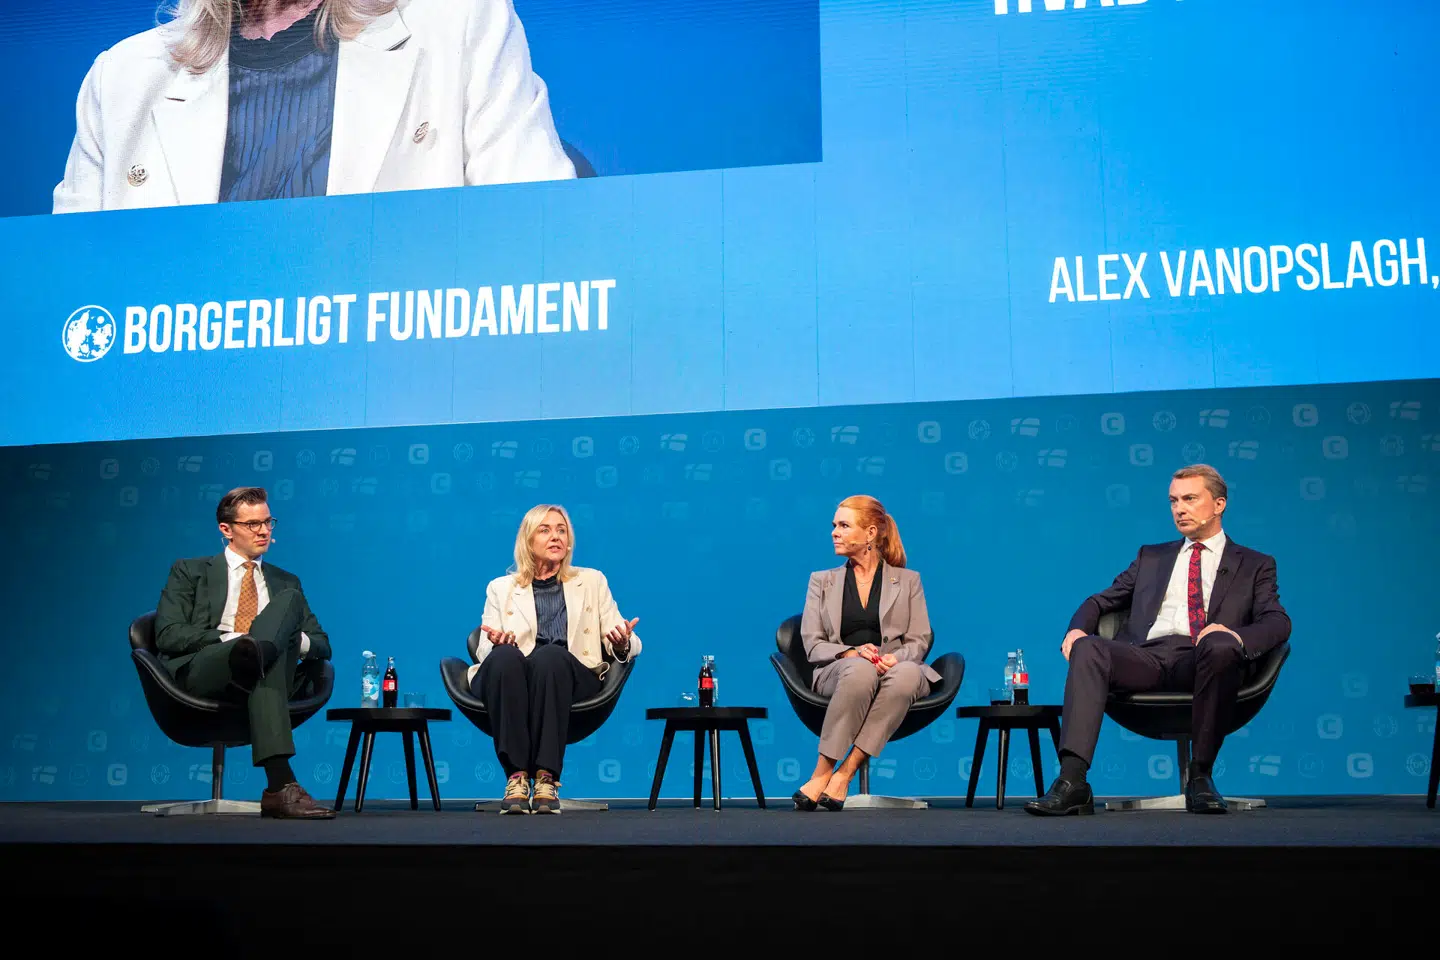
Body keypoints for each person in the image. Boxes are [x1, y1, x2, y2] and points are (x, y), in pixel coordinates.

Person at [53, 0, 575, 213]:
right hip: (179, 405)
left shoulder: (459, 25)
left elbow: (539, 235)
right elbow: (67, 292)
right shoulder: (123, 79)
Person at [1025, 464, 1292, 817]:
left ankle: (1201, 776)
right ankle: (1072, 781)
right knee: (1089, 647)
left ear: (1219, 504)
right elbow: (1099, 602)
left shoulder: (1255, 564)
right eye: (1173, 501)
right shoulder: (1151, 557)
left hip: (1204, 657)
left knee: (1219, 645)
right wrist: (1076, 630)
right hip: (1146, 658)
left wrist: (1234, 635)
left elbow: (1277, 621)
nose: (1179, 509)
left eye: (1190, 499)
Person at [153, 486, 335, 818]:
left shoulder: (286, 582)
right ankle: (280, 785)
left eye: (268, 522)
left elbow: (322, 644)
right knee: (256, 654)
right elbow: (168, 634)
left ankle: (281, 785)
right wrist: (235, 639)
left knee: (274, 636)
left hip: (266, 671)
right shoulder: (190, 571)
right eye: (252, 524)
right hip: (210, 667)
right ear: (226, 529)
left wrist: (285, 639)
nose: (264, 531)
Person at [466, 504, 640, 814]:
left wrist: (622, 642)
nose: (556, 536)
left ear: (569, 542)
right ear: (528, 540)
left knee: (550, 656)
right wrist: (497, 644)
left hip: (568, 676)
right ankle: (517, 778)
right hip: (513, 675)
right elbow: (482, 651)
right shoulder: (500, 588)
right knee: (505, 657)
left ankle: (546, 779)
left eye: (561, 530)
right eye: (545, 530)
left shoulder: (592, 581)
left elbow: (626, 637)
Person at [792, 495, 941, 811]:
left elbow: (920, 639)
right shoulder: (821, 581)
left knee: (908, 673)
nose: (835, 532)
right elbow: (813, 644)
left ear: (870, 533)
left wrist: (895, 658)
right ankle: (822, 772)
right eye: (835, 525)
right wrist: (852, 652)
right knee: (860, 670)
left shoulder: (908, 581)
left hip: (895, 669)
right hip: (840, 670)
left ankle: (844, 774)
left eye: (844, 526)